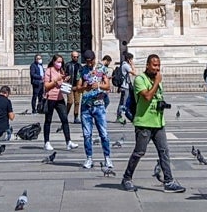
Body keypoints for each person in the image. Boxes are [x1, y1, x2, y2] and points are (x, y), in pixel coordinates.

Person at [119, 53, 184, 194]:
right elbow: (148, 96)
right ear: (147, 65)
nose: (157, 68)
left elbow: (157, 97)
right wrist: (156, 82)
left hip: (158, 122)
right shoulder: (139, 79)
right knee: (139, 152)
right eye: (154, 65)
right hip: (144, 122)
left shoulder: (158, 80)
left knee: (164, 152)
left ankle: (169, 181)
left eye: (159, 65)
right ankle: (127, 178)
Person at [78, 51, 112, 172]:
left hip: (99, 105)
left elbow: (108, 86)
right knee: (87, 135)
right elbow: (78, 88)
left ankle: (107, 158)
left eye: (90, 61)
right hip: (86, 106)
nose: (89, 63)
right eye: (87, 61)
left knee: (104, 134)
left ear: (94, 59)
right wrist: (84, 87)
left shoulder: (102, 69)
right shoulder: (82, 70)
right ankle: (89, 158)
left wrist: (98, 85)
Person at [40, 54, 71, 151]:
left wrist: (65, 80)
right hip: (50, 98)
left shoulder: (61, 71)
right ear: (53, 62)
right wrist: (56, 80)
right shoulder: (49, 70)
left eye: (61, 62)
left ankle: (68, 141)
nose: (60, 63)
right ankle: (47, 142)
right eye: (58, 61)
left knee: (64, 119)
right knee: (48, 120)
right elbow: (46, 86)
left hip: (60, 97)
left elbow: (61, 84)